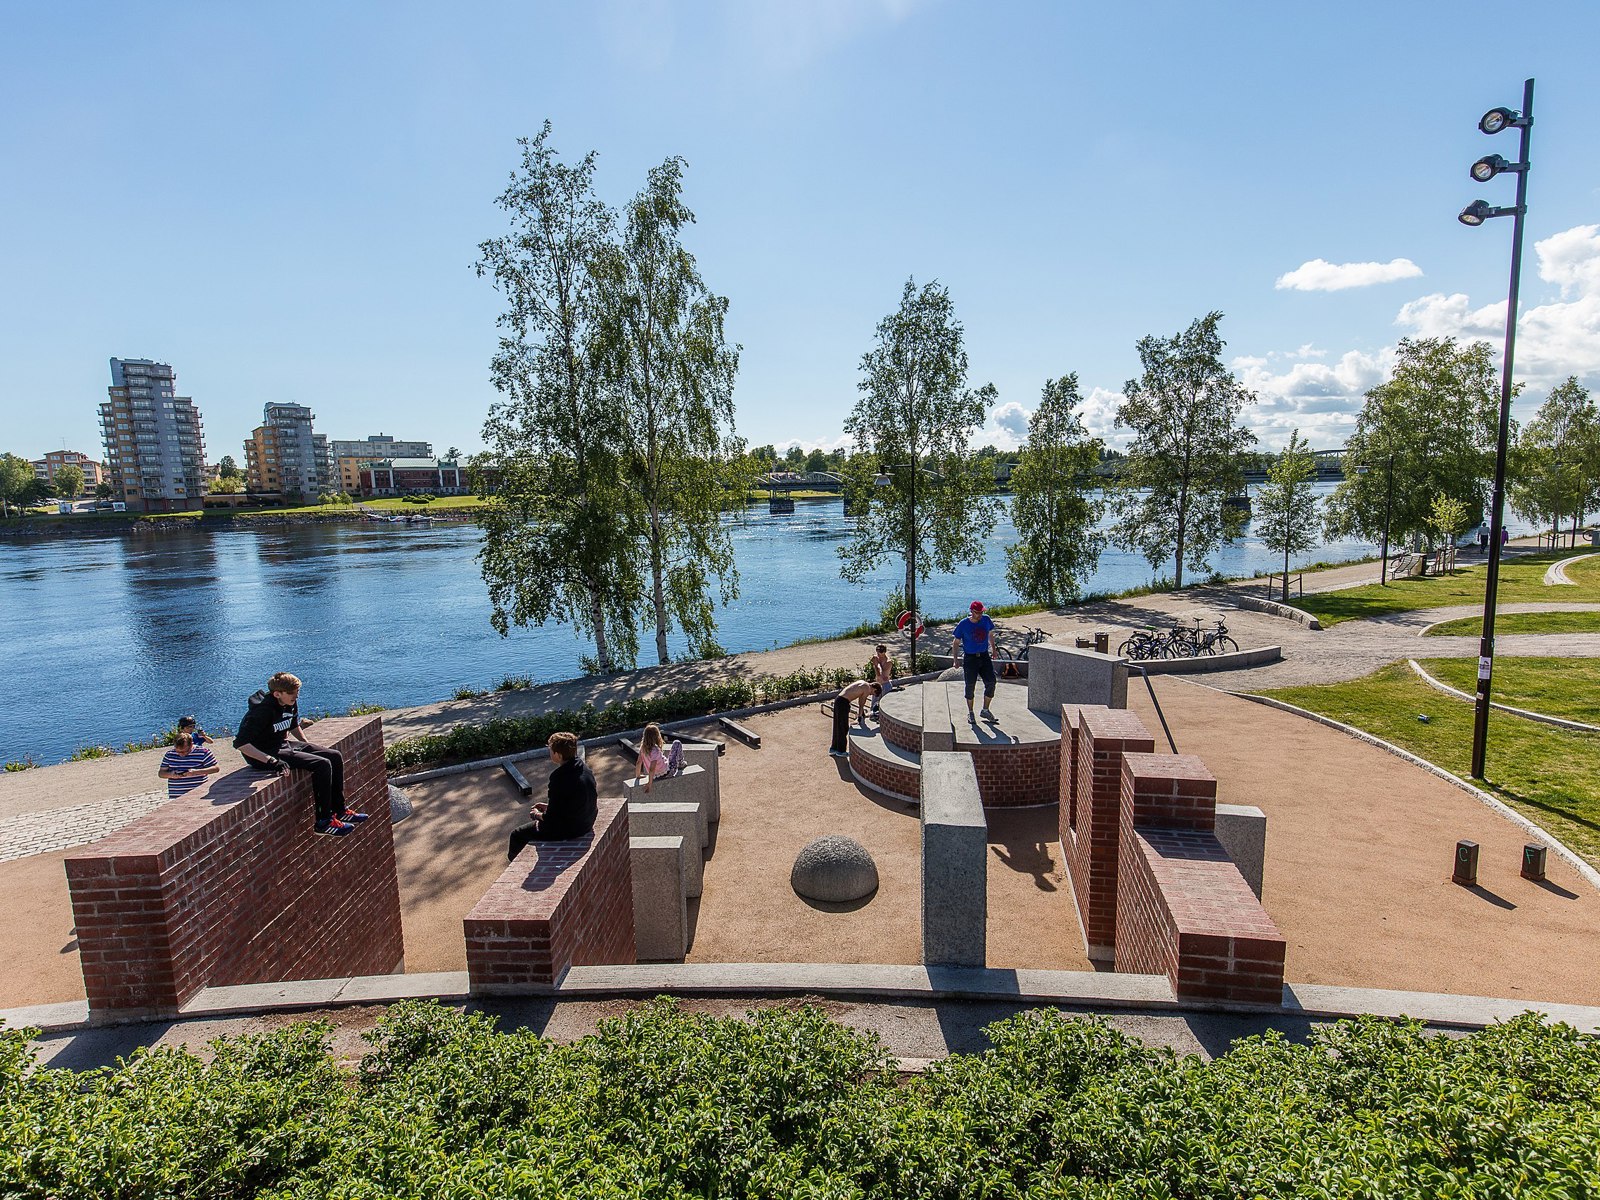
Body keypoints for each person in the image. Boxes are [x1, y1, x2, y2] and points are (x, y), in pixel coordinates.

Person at [234, 671, 369, 837]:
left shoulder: (289, 703)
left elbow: (292, 724)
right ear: (277, 694)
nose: (295, 697)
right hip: (262, 754)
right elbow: (241, 744)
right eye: (291, 694)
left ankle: (339, 810)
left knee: (334, 756)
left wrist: (306, 744)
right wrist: (271, 761)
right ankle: (323, 822)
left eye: (297, 693)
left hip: (281, 745)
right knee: (322, 765)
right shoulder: (261, 711)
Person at [508, 731, 598, 861]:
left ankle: (514, 869)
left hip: (571, 829)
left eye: (550, 750)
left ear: (558, 755)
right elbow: (568, 803)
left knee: (517, 835)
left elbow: (551, 818)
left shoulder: (559, 778)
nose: (549, 752)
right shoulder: (583, 768)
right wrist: (549, 807)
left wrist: (536, 815)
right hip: (587, 822)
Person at [951, 600, 997, 722]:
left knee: (991, 682)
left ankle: (985, 710)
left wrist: (994, 649)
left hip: (984, 656)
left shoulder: (986, 620)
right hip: (970, 658)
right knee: (970, 685)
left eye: (981, 612)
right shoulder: (964, 624)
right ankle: (970, 712)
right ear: (971, 611)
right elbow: (956, 642)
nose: (980, 615)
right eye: (977, 613)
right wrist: (955, 659)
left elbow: (990, 635)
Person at [828, 679, 881, 757]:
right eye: (873, 693)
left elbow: (860, 701)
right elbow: (861, 704)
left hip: (838, 700)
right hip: (843, 703)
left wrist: (861, 714)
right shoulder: (867, 688)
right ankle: (841, 750)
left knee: (837, 725)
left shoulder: (862, 683)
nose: (870, 695)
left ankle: (833, 748)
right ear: (875, 689)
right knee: (843, 727)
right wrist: (860, 716)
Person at [158, 731, 219, 799]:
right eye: (178, 752)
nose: (182, 754)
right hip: (176, 797)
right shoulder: (169, 754)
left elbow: (216, 768)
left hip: (199, 794)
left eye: (185, 751)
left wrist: (196, 772)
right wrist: (171, 775)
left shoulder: (203, 752)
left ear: (191, 744)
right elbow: (161, 773)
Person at [635, 722, 678, 794]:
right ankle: (681, 762)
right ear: (657, 736)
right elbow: (652, 768)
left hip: (656, 776)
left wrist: (638, 775)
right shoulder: (655, 750)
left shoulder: (643, 748)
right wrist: (649, 784)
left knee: (666, 758)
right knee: (677, 743)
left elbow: (639, 762)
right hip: (667, 772)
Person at [870, 644, 894, 716]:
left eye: (880, 651)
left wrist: (876, 665)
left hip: (885, 685)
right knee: (874, 706)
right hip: (877, 685)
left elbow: (880, 675)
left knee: (885, 705)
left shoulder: (888, 662)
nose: (878, 653)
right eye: (877, 651)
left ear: (884, 652)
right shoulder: (876, 658)